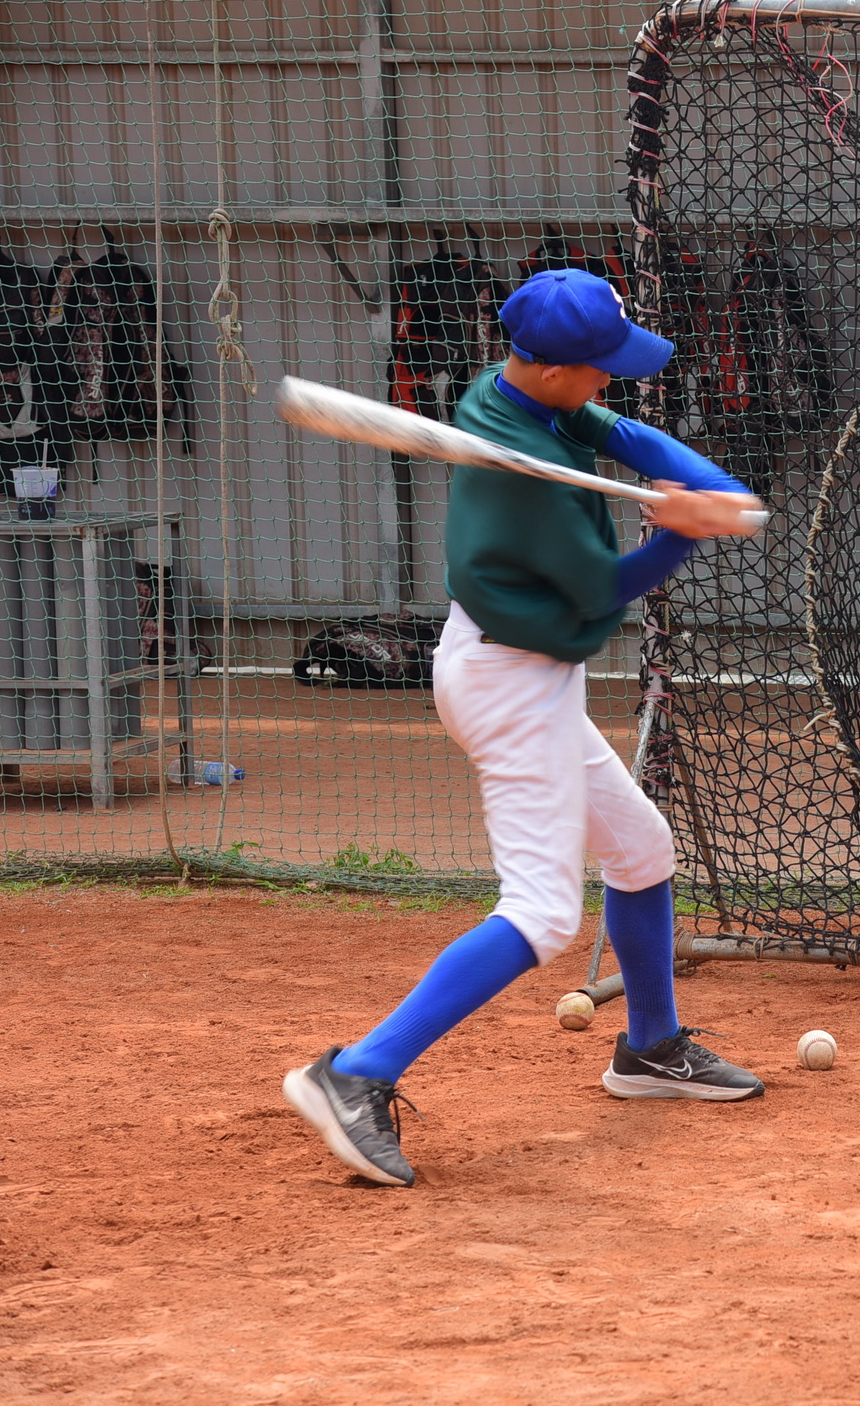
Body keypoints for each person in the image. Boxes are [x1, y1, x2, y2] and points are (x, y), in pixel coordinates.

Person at [284, 268, 767, 1187]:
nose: (609, 381)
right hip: (509, 681)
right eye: (599, 368)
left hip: (522, 666)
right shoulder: (524, 483)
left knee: (641, 848)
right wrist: (678, 534)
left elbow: (618, 431)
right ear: (549, 369)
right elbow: (602, 586)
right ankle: (355, 1073)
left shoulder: (517, 394)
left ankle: (651, 1048)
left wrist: (700, 487)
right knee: (544, 911)